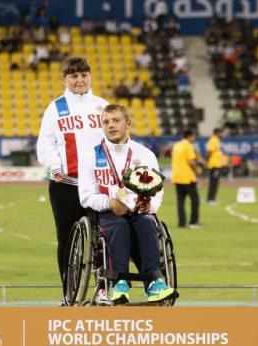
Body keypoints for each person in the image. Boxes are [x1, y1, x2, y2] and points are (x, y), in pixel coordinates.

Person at [77, 104, 176, 305]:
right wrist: (110, 202)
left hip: (138, 210)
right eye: (106, 122)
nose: (110, 126)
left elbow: (157, 190)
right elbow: (86, 195)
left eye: (116, 120)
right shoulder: (91, 155)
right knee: (119, 226)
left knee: (147, 223)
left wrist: (150, 206)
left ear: (128, 123)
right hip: (107, 211)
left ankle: (154, 283)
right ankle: (119, 281)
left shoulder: (145, 154)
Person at [36, 56, 108, 299]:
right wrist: (53, 166)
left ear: (90, 76)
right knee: (66, 240)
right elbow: (46, 142)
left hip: (98, 186)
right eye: (74, 76)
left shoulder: (102, 106)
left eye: (84, 75)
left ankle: (103, 290)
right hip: (65, 185)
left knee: (105, 239)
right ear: (65, 79)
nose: (80, 80)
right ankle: (69, 293)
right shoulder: (56, 108)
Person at [171, 129, 202, 229]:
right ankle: (194, 222)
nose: (194, 138)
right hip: (188, 177)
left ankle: (182, 223)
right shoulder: (188, 145)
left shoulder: (176, 145)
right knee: (195, 200)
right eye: (193, 136)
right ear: (189, 136)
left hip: (177, 177)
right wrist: (197, 170)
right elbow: (191, 161)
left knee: (180, 201)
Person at [205, 128, 225, 204]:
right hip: (214, 165)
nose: (221, 135)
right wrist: (207, 161)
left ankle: (212, 198)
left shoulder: (217, 140)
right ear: (217, 133)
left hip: (217, 165)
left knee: (215, 182)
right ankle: (210, 199)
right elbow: (209, 151)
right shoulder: (213, 140)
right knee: (213, 182)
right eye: (220, 133)